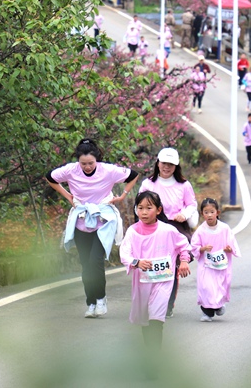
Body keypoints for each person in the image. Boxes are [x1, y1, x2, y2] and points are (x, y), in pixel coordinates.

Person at [46, 138, 139, 318]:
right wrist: (67, 196)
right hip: (81, 219)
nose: (87, 167)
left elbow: (133, 175)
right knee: (86, 264)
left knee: (96, 261)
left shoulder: (108, 170)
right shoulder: (71, 170)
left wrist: (122, 196)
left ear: (97, 159)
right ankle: (90, 302)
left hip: (103, 221)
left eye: (91, 163)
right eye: (83, 164)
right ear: (77, 161)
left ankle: (101, 299)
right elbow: (50, 177)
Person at [120, 191, 191, 377]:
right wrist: (136, 262)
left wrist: (184, 261)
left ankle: (154, 362)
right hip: (142, 282)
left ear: (158, 210)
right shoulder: (132, 231)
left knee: (156, 318)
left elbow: (183, 245)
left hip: (163, 282)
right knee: (145, 320)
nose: (143, 212)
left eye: (148, 208)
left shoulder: (168, 230)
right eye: (140, 208)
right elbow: (124, 252)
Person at [138, 148, 198, 317]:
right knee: (151, 266)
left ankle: (167, 305)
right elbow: (139, 205)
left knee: (170, 268)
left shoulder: (183, 185)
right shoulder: (148, 184)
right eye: (164, 163)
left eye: (171, 164)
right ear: (158, 163)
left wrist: (184, 215)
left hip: (174, 228)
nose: (166, 167)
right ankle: (150, 302)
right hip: (152, 228)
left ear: (176, 166)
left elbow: (191, 204)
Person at [191, 198, 240, 321]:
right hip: (207, 265)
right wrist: (203, 249)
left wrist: (229, 249)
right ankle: (207, 313)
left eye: (212, 212)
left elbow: (232, 244)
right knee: (206, 287)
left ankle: (219, 306)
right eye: (206, 212)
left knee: (220, 286)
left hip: (221, 264)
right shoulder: (201, 231)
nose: (209, 215)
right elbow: (194, 247)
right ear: (202, 214)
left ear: (217, 212)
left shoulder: (224, 229)